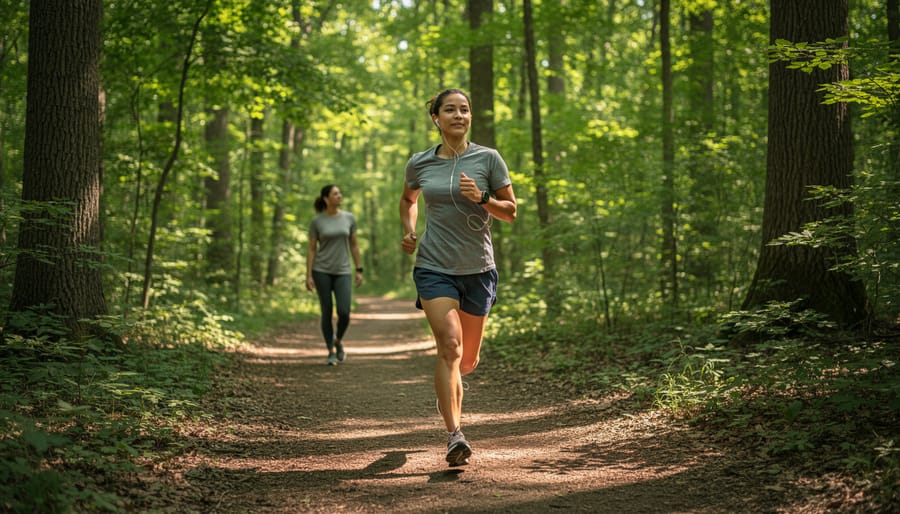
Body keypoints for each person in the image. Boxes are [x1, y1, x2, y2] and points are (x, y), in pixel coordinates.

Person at [399, 88, 517, 467]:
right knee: (449, 346)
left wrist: (482, 198)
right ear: (436, 117)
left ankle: (447, 393)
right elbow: (408, 200)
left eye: (464, 109)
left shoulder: (488, 159)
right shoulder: (420, 162)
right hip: (433, 266)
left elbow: (510, 212)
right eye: (449, 110)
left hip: (478, 269)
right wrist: (410, 229)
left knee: (467, 362)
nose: (458, 115)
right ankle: (455, 434)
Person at [306, 184, 363, 366]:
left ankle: (338, 341)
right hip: (321, 270)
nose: (340, 196)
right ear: (326, 198)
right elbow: (312, 249)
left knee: (344, 312)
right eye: (335, 193)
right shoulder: (317, 222)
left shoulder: (348, 218)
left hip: (343, 270)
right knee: (326, 310)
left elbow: (354, 245)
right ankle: (330, 350)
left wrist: (359, 269)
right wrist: (308, 275)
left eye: (340, 193)